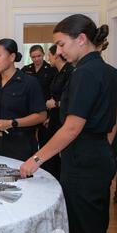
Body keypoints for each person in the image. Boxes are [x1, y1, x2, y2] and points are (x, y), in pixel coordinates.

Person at [20, 14, 117, 233]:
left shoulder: (84, 73)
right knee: (92, 229)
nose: (60, 51)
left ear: (82, 39)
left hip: (83, 161)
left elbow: (72, 128)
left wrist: (36, 159)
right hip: (97, 156)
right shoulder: (107, 70)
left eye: (62, 44)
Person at [0, 39, 47, 161]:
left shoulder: (29, 83)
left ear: (12, 57)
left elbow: (41, 116)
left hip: (21, 145)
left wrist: (11, 123)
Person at [42, 45, 74, 179]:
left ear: (56, 55)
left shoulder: (71, 72)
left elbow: (72, 100)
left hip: (66, 119)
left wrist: (55, 104)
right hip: (55, 117)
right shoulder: (57, 72)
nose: (48, 58)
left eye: (49, 55)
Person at [22, 45, 56, 151]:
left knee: (45, 141)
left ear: (43, 55)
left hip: (45, 109)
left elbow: (54, 92)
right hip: (30, 111)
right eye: (33, 57)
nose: (36, 59)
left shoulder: (51, 70)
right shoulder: (26, 69)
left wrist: (50, 115)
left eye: (39, 56)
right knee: (28, 140)